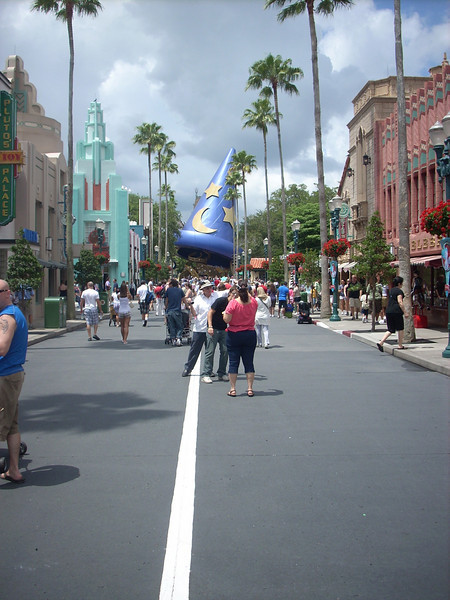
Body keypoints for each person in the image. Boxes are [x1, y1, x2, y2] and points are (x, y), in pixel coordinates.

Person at [0, 280, 28, 484]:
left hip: (5, 376)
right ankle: (14, 470)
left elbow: (2, 347)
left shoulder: (7, 317)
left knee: (4, 423)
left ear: (7, 292)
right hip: (11, 375)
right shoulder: (13, 313)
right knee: (11, 425)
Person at [223, 280, 258, 397]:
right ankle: (250, 388)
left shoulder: (233, 303)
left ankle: (233, 389)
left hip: (234, 333)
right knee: (249, 362)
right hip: (249, 333)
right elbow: (251, 298)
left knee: (233, 362)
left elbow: (227, 319)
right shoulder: (253, 302)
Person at [182, 281, 217, 377]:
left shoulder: (215, 297)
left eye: (210, 288)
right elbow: (194, 314)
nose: (209, 290)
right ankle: (188, 368)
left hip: (211, 328)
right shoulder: (198, 299)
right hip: (200, 328)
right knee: (194, 349)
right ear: (203, 290)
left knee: (210, 351)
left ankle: (208, 369)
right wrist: (191, 305)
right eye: (207, 288)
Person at [203, 287, 236, 383]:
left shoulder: (235, 304)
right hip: (214, 328)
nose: (235, 296)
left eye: (237, 295)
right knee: (210, 351)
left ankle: (222, 373)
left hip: (224, 329)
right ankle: (206, 373)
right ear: (229, 293)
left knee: (225, 351)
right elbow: (210, 312)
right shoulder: (221, 301)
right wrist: (210, 326)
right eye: (233, 294)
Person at [377, 276, 409, 352]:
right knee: (400, 328)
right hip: (396, 311)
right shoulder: (399, 291)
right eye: (402, 283)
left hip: (389, 311)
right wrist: (405, 312)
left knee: (390, 329)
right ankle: (400, 345)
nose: (402, 285)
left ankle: (381, 342)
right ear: (399, 283)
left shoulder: (391, 290)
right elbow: (400, 302)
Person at [165, 279, 188, 346]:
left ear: (172, 284)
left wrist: (166, 307)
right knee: (180, 326)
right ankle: (178, 337)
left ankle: (173, 339)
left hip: (170, 310)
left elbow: (167, 300)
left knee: (171, 326)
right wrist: (187, 306)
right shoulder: (180, 290)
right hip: (177, 310)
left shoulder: (168, 290)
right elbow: (184, 299)